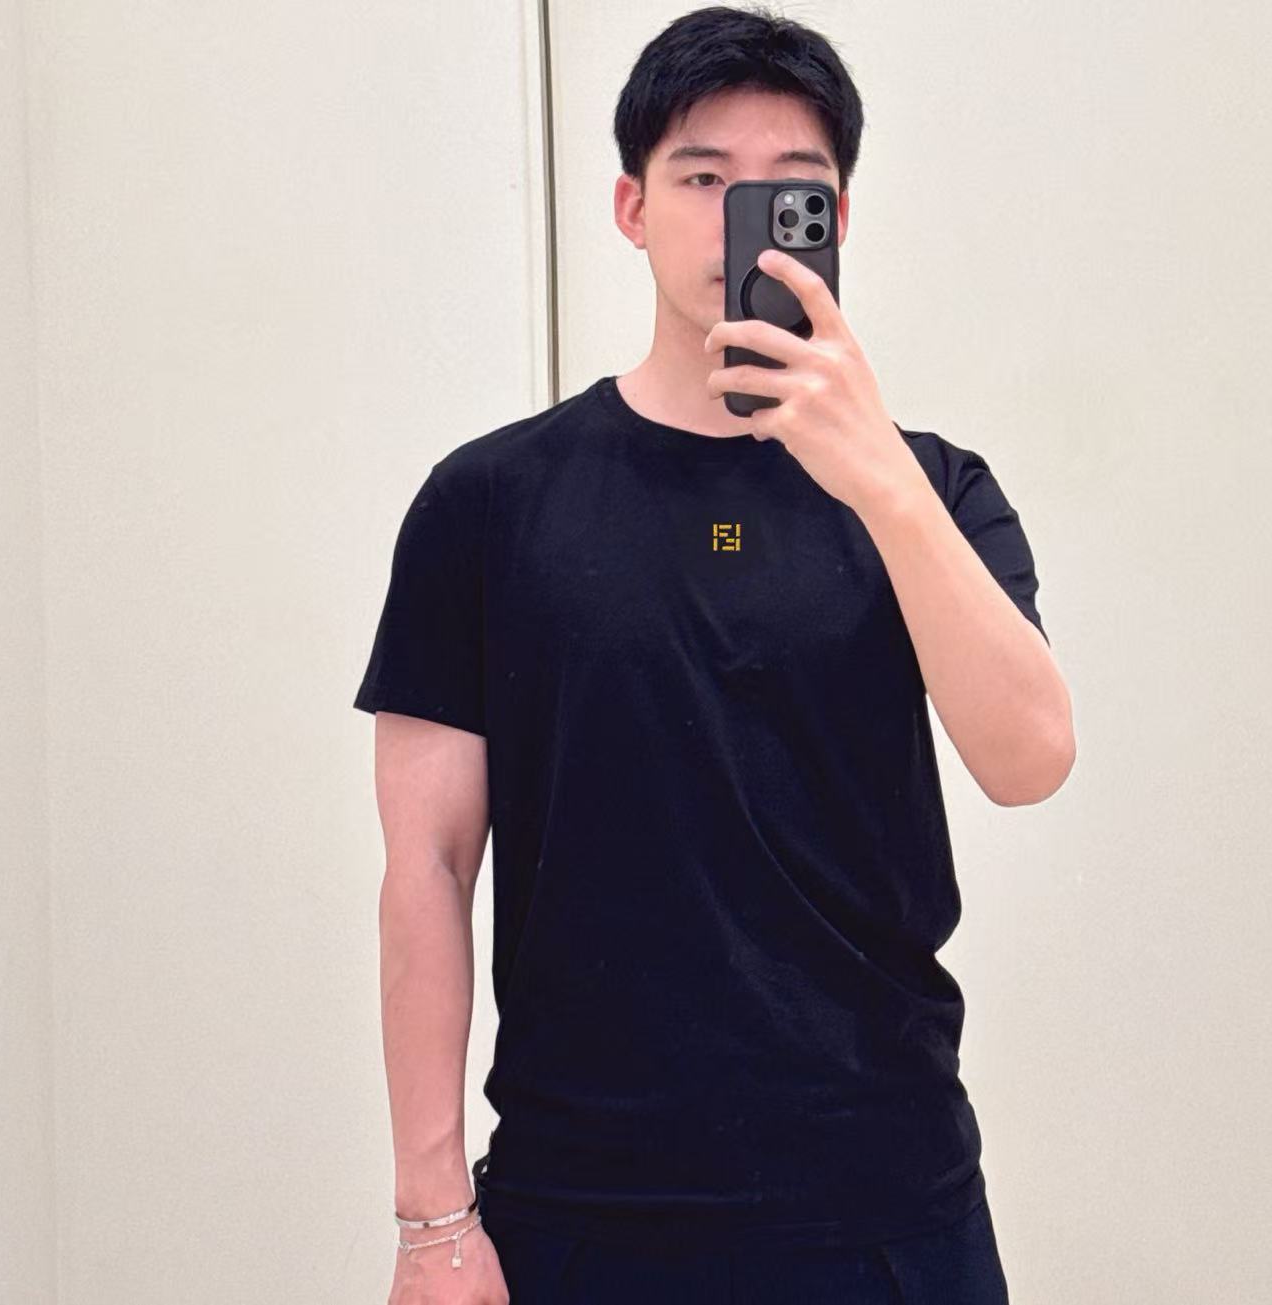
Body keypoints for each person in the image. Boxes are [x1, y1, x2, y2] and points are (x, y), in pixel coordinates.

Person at [353, 6, 1075, 1302]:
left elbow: (1029, 760)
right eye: (703, 179)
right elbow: (428, 867)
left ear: (838, 221)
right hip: (581, 1204)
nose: (744, 218)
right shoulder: (490, 502)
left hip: (884, 1196)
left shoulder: (935, 491)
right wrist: (431, 1219)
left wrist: (876, 476)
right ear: (631, 208)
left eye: (791, 189)